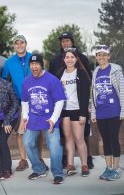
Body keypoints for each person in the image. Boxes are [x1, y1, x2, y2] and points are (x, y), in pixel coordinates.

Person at [49, 31, 94, 169]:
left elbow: (86, 84)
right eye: (63, 41)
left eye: (68, 40)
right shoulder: (56, 62)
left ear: (72, 42)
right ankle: (68, 161)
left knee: (82, 135)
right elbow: (52, 84)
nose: (65, 43)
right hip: (63, 108)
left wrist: (85, 108)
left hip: (79, 107)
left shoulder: (83, 59)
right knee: (66, 136)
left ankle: (87, 160)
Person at [20, 54, 65, 184]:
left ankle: (57, 173)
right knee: (27, 142)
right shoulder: (27, 81)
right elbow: (24, 101)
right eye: (31, 64)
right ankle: (39, 169)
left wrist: (53, 119)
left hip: (49, 118)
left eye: (36, 64)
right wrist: (25, 117)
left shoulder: (52, 80)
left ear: (41, 64)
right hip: (33, 118)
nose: (34, 67)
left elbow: (60, 101)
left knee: (55, 145)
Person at [90, 45, 124, 181]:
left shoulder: (116, 71)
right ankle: (108, 168)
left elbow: (122, 91)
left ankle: (116, 169)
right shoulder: (96, 72)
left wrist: (123, 110)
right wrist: (93, 113)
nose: (102, 57)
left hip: (114, 111)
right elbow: (93, 94)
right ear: (96, 57)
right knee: (105, 140)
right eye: (99, 55)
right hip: (101, 112)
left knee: (114, 139)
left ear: (109, 57)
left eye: (104, 55)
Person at [56, 49, 90, 177]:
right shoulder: (60, 74)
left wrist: (83, 114)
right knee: (68, 138)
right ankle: (70, 165)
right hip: (64, 111)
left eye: (72, 57)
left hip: (77, 110)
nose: (69, 59)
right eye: (67, 57)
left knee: (79, 139)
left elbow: (85, 95)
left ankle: (84, 165)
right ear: (64, 59)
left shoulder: (81, 73)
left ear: (76, 59)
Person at [1, 35, 32, 171]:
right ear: (14, 45)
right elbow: (3, 80)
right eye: (17, 43)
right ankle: (23, 160)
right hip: (19, 102)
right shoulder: (9, 62)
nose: (19, 45)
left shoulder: (33, 58)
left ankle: (39, 159)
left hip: (35, 100)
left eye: (22, 43)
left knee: (37, 131)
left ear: (26, 44)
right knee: (20, 132)